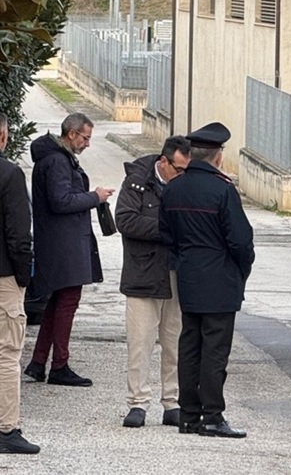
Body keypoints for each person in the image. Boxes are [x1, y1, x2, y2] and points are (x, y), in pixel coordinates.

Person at [159, 122, 254, 439]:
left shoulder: (173, 188)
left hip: (188, 277)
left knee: (189, 346)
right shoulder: (222, 189)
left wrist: (187, 258)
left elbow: (167, 235)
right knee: (214, 351)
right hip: (220, 278)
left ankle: (189, 416)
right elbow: (241, 241)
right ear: (217, 156)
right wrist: (241, 271)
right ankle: (212, 416)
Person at [24, 113, 114, 387]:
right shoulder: (57, 161)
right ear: (71, 133)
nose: (87, 144)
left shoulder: (55, 159)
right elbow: (60, 201)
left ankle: (39, 362)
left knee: (57, 303)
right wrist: (94, 197)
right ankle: (59, 365)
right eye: (85, 138)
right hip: (63, 245)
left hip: (59, 243)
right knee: (67, 302)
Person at [116, 135, 191, 429]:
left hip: (175, 273)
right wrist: (167, 227)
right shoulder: (136, 182)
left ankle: (171, 402)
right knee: (140, 343)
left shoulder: (184, 185)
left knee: (174, 342)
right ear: (164, 162)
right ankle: (137, 403)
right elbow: (125, 220)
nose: (182, 174)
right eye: (178, 168)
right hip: (143, 274)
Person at [0, 113, 40, 454]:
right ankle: (6, 429)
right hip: (3, 277)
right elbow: (18, 233)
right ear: (2, 137)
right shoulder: (9, 174)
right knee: (7, 354)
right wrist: (24, 275)